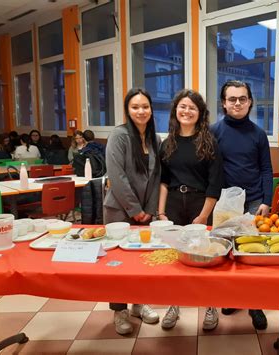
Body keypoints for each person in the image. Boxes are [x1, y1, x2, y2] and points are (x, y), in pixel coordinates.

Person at [157, 89, 223, 331]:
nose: (186, 111)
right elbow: (163, 180)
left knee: (203, 257)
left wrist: (204, 215)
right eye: (182, 106)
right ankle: (173, 305)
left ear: (200, 114)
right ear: (176, 110)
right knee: (176, 260)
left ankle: (210, 307)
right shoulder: (167, 143)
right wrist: (161, 212)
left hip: (200, 204)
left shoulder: (209, 143)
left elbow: (215, 184)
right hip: (174, 203)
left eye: (192, 108)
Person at [211, 80, 273, 330]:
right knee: (226, 255)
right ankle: (231, 298)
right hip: (225, 204)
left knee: (251, 255)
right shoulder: (214, 131)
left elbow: (266, 169)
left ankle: (255, 305)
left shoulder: (258, 134)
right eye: (232, 99)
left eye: (242, 99)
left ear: (250, 102)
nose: (237, 103)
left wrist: (267, 201)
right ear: (224, 103)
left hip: (254, 202)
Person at [103, 88, 162, 335]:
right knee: (119, 263)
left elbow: (157, 176)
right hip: (119, 210)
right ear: (127, 110)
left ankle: (139, 303)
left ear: (151, 109)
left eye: (145, 106)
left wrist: (149, 210)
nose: (141, 111)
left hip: (145, 213)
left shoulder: (155, 139)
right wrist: (135, 210)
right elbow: (117, 176)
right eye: (135, 107)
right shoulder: (119, 136)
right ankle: (120, 311)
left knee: (141, 260)